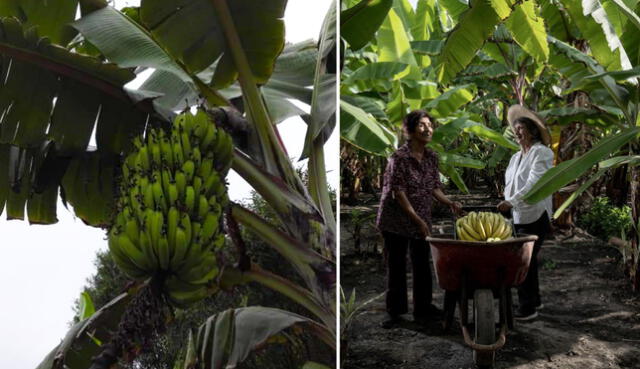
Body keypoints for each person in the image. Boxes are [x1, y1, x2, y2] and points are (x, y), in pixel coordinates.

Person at [376, 110, 462, 328]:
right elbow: (399, 193)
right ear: (410, 130)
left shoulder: (432, 157)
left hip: (421, 217)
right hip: (396, 219)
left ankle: (423, 308)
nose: (428, 129)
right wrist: (418, 221)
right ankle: (395, 313)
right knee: (397, 265)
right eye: (422, 125)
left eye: (430, 125)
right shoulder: (399, 158)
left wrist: (449, 202)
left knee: (422, 263)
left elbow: (435, 187)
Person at [497, 104, 554, 321]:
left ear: (532, 130)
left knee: (524, 261)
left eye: (522, 128)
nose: (517, 132)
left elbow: (535, 184)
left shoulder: (542, 152)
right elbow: (510, 184)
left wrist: (511, 202)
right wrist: (507, 202)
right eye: (516, 129)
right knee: (528, 260)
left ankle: (527, 308)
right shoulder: (515, 157)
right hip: (518, 215)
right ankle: (534, 300)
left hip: (535, 215)